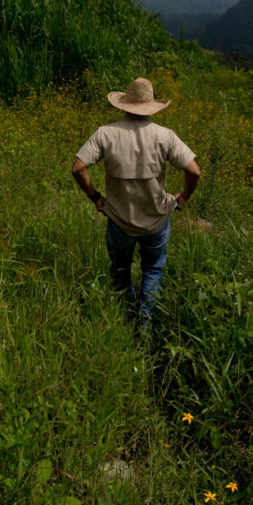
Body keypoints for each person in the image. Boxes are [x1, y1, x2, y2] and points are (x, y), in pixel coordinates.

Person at [72, 77, 200, 327]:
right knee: (152, 270)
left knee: (120, 269)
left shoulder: (105, 134)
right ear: (150, 106)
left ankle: (123, 318)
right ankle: (144, 323)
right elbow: (194, 172)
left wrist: (95, 197)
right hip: (156, 221)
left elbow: (78, 168)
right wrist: (182, 197)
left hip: (119, 221)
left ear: (124, 105)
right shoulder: (165, 136)